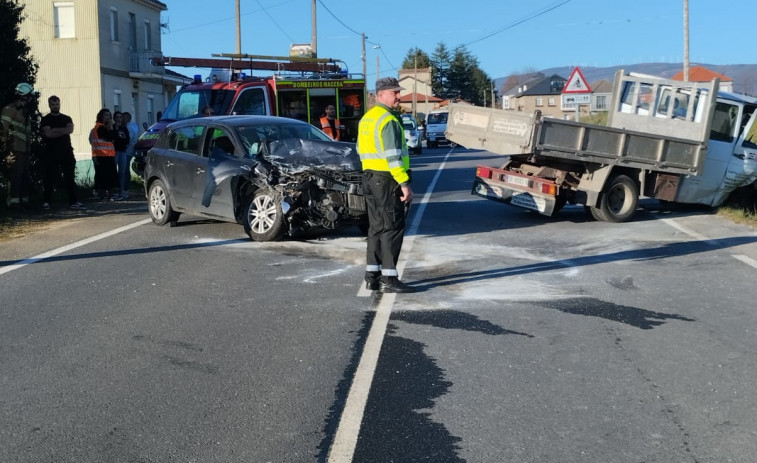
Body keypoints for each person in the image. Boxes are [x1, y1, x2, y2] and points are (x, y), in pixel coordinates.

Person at [356, 77, 415, 293]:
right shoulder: (388, 120)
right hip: (387, 179)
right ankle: (389, 279)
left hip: (370, 178)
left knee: (376, 227)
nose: (399, 96)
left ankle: (372, 277)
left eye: (398, 92)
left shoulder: (367, 119)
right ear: (381, 95)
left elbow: (359, 150)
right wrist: (404, 183)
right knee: (392, 227)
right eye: (394, 92)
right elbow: (393, 157)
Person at [40, 95, 84, 210]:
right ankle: (47, 201)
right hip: (51, 152)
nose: (56, 106)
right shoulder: (46, 119)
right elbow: (48, 134)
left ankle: (73, 201)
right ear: (49, 105)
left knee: (69, 177)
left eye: (57, 104)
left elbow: (69, 130)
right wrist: (62, 131)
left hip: (66, 152)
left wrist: (54, 130)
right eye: (53, 104)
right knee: (49, 178)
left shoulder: (66, 118)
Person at [1, 83, 35, 208]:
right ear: (23, 96)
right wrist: (7, 149)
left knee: (25, 176)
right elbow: (2, 129)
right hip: (14, 149)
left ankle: (24, 202)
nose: (31, 99)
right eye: (29, 96)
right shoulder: (10, 110)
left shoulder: (25, 112)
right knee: (16, 176)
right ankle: (13, 204)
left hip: (24, 150)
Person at [90, 108, 120, 200]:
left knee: (109, 175)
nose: (108, 117)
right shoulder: (99, 127)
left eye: (109, 115)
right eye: (106, 115)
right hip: (101, 155)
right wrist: (112, 129)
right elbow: (110, 137)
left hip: (107, 155)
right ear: (101, 116)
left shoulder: (102, 127)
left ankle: (109, 193)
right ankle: (103, 194)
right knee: (103, 175)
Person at [112, 111, 131, 199]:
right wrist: (115, 128)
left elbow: (127, 139)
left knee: (122, 172)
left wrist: (125, 144)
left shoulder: (124, 128)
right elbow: (113, 138)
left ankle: (122, 190)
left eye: (120, 117)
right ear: (114, 118)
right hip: (115, 151)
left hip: (123, 151)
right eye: (117, 117)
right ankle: (114, 191)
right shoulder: (112, 127)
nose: (119, 119)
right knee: (113, 172)